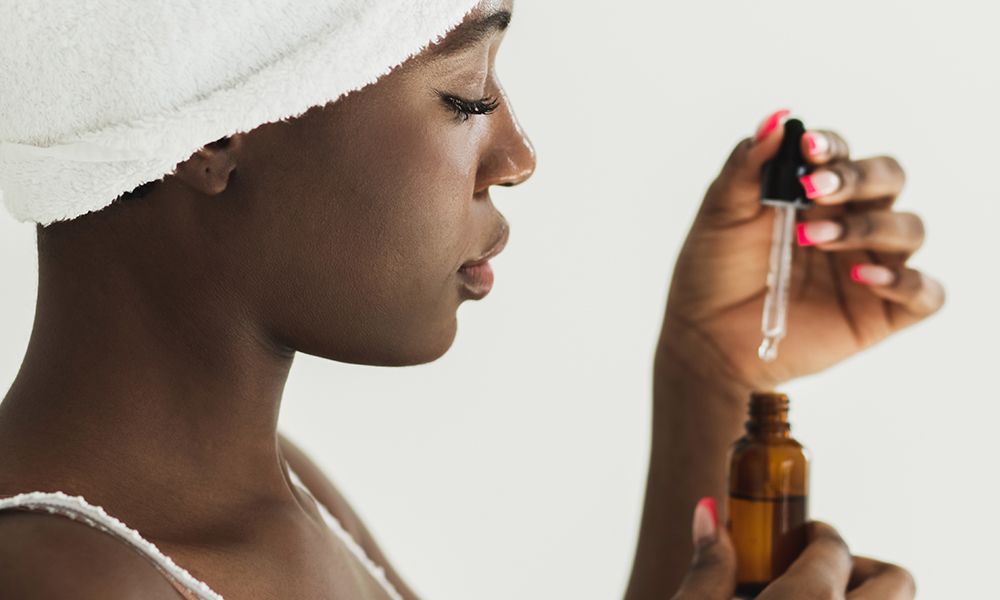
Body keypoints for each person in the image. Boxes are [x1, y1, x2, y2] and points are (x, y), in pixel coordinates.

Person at [0, 0, 943, 598]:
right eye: (466, 95)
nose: (518, 156)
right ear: (213, 132)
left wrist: (710, 370)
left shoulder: (283, 498)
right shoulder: (61, 579)